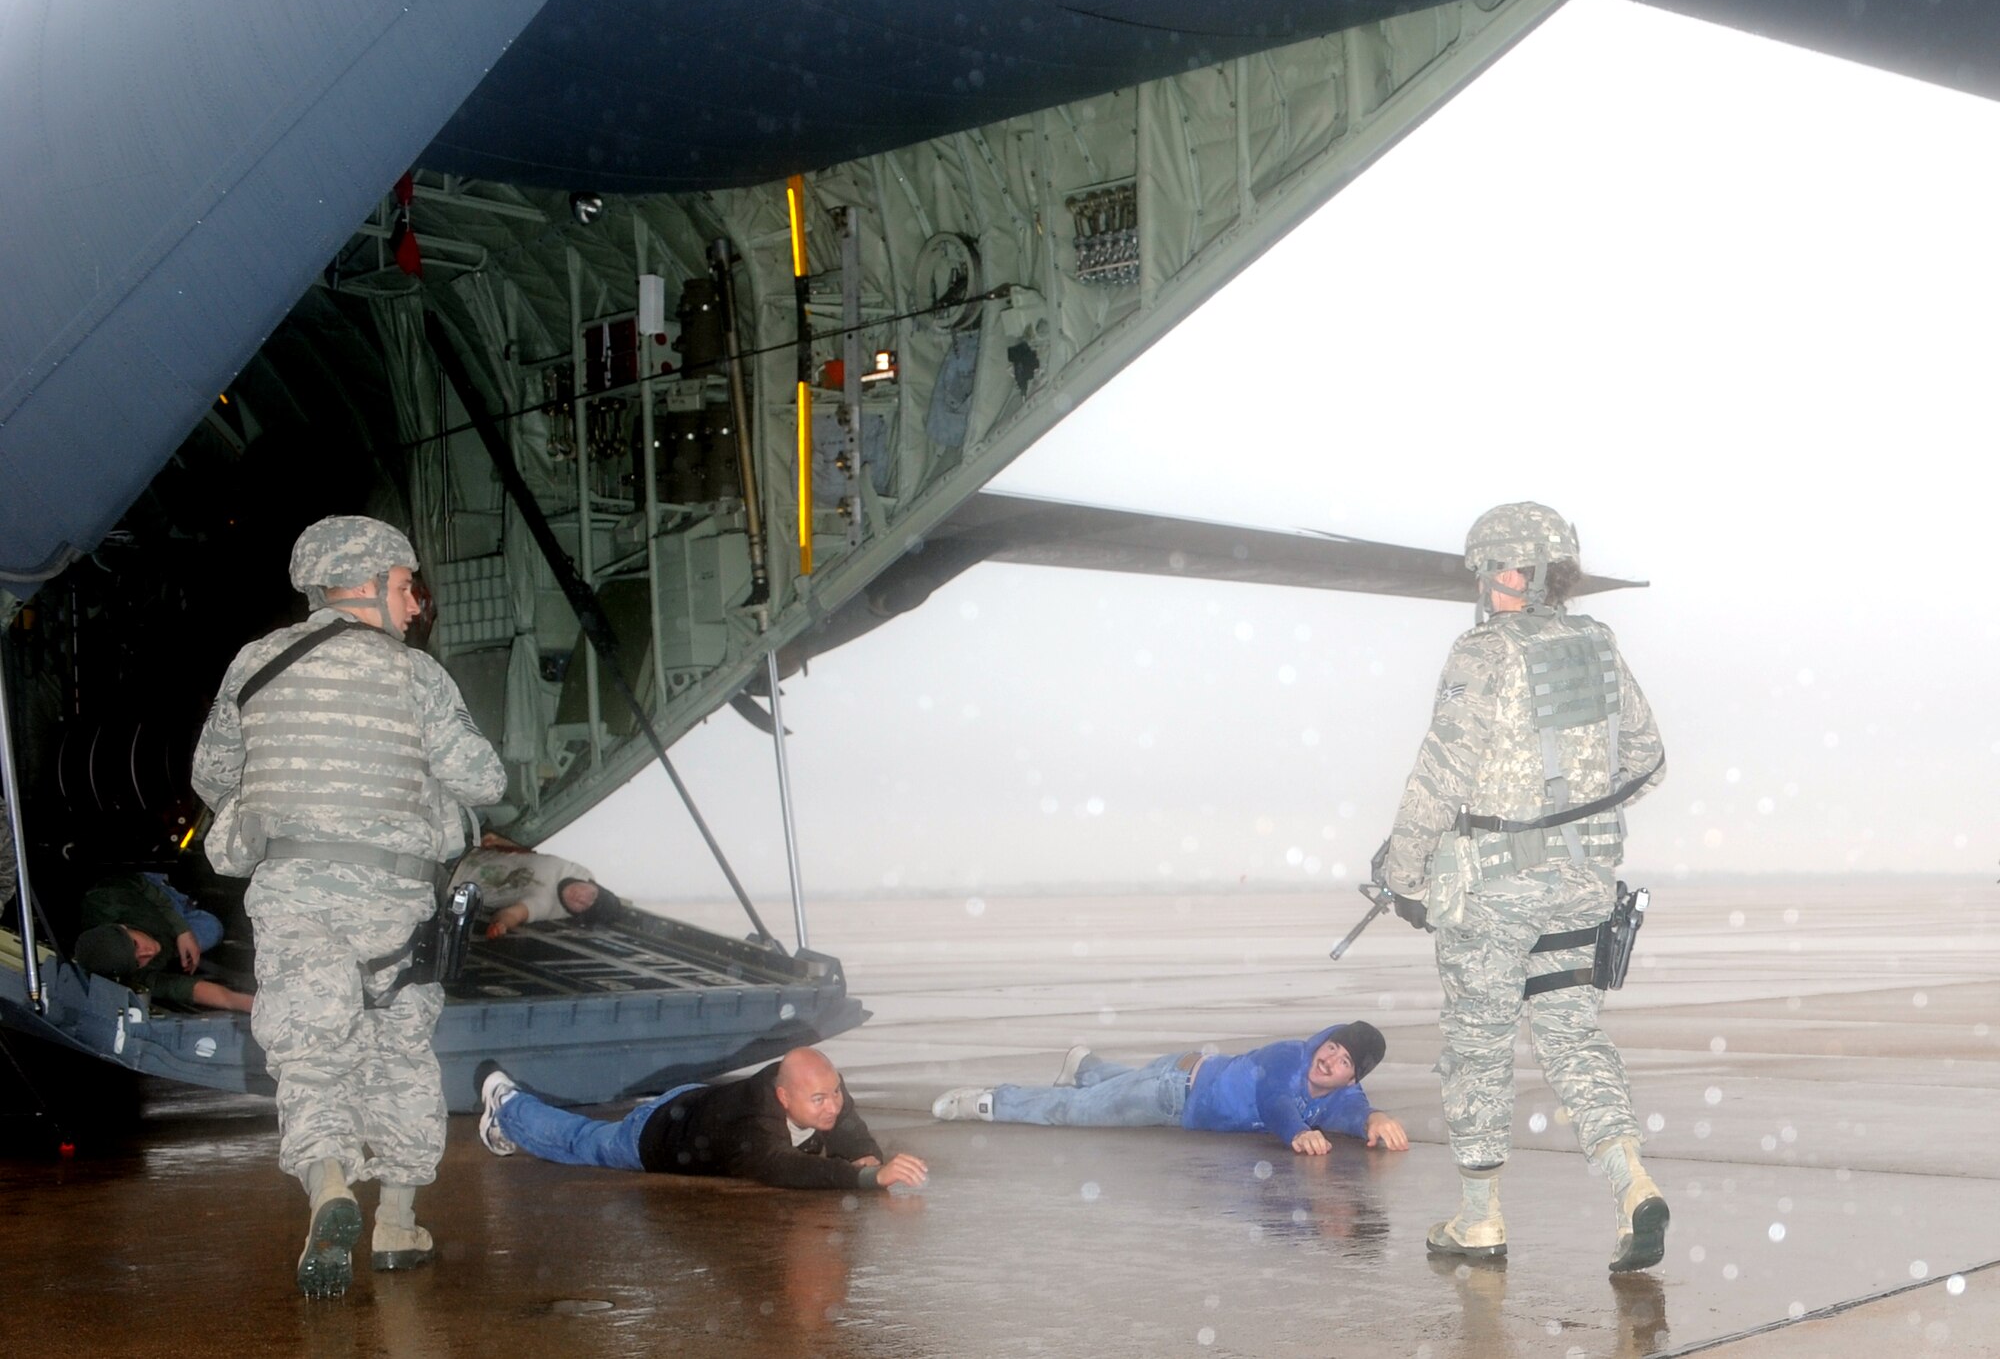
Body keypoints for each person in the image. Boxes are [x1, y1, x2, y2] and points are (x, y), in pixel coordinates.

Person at [192, 515, 505, 1299]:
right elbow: (484, 779)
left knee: (308, 1053)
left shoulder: (255, 664)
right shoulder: (416, 677)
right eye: (406, 587)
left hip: (295, 894)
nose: (414, 605)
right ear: (366, 585)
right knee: (399, 1052)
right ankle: (397, 1224)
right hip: (396, 900)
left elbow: (213, 772)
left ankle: (330, 1188)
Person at [1376, 502, 1668, 1271]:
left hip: (1495, 890)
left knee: (1479, 1046)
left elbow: (1440, 774)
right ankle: (1633, 1185)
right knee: (1572, 1035)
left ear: (1513, 572)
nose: (1484, 586)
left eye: (1487, 571)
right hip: (1582, 886)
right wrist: (1576, 811)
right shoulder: (1599, 645)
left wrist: (1401, 870)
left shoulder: (1483, 651)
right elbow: (1648, 758)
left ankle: (1481, 1221)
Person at [476, 1045, 928, 1192]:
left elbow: (848, 1126)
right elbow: (781, 1167)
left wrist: (869, 1158)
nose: (832, 1104)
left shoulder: (814, 1082)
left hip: (699, 1102)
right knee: (582, 1142)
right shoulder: (750, 1129)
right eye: (818, 1100)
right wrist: (866, 1180)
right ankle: (507, 1102)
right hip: (656, 1133)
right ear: (783, 1095)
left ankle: (509, 1115)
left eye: (835, 1092)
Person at [930, 1022, 1409, 1153]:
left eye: (1345, 1061)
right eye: (1332, 1046)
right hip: (1172, 1090)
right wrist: (1296, 1133)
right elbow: (1276, 1100)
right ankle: (991, 1102)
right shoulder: (1290, 1055)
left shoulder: (1344, 1094)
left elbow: (1351, 1112)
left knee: (1107, 1090)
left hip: (1182, 1075)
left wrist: (1374, 1118)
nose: (1330, 1060)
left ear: (1352, 1076)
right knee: (1078, 1112)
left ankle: (1088, 1065)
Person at [70, 871, 253, 1012]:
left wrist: (182, 930)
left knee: (169, 896)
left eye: (135, 944)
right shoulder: (133, 975)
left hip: (154, 898)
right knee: (213, 930)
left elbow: (144, 887)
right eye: (137, 961)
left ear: (123, 928)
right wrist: (243, 1003)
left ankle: (184, 900)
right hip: (167, 936)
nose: (148, 952)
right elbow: (186, 989)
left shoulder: (107, 900)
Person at [450, 835, 619, 939]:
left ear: (576, 914)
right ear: (593, 884)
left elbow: (514, 914)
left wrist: (501, 925)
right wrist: (500, 841)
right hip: (463, 851)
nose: (580, 898)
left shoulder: (546, 906)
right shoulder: (580, 871)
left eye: (582, 906)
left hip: (450, 880)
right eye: (591, 895)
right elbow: (534, 855)